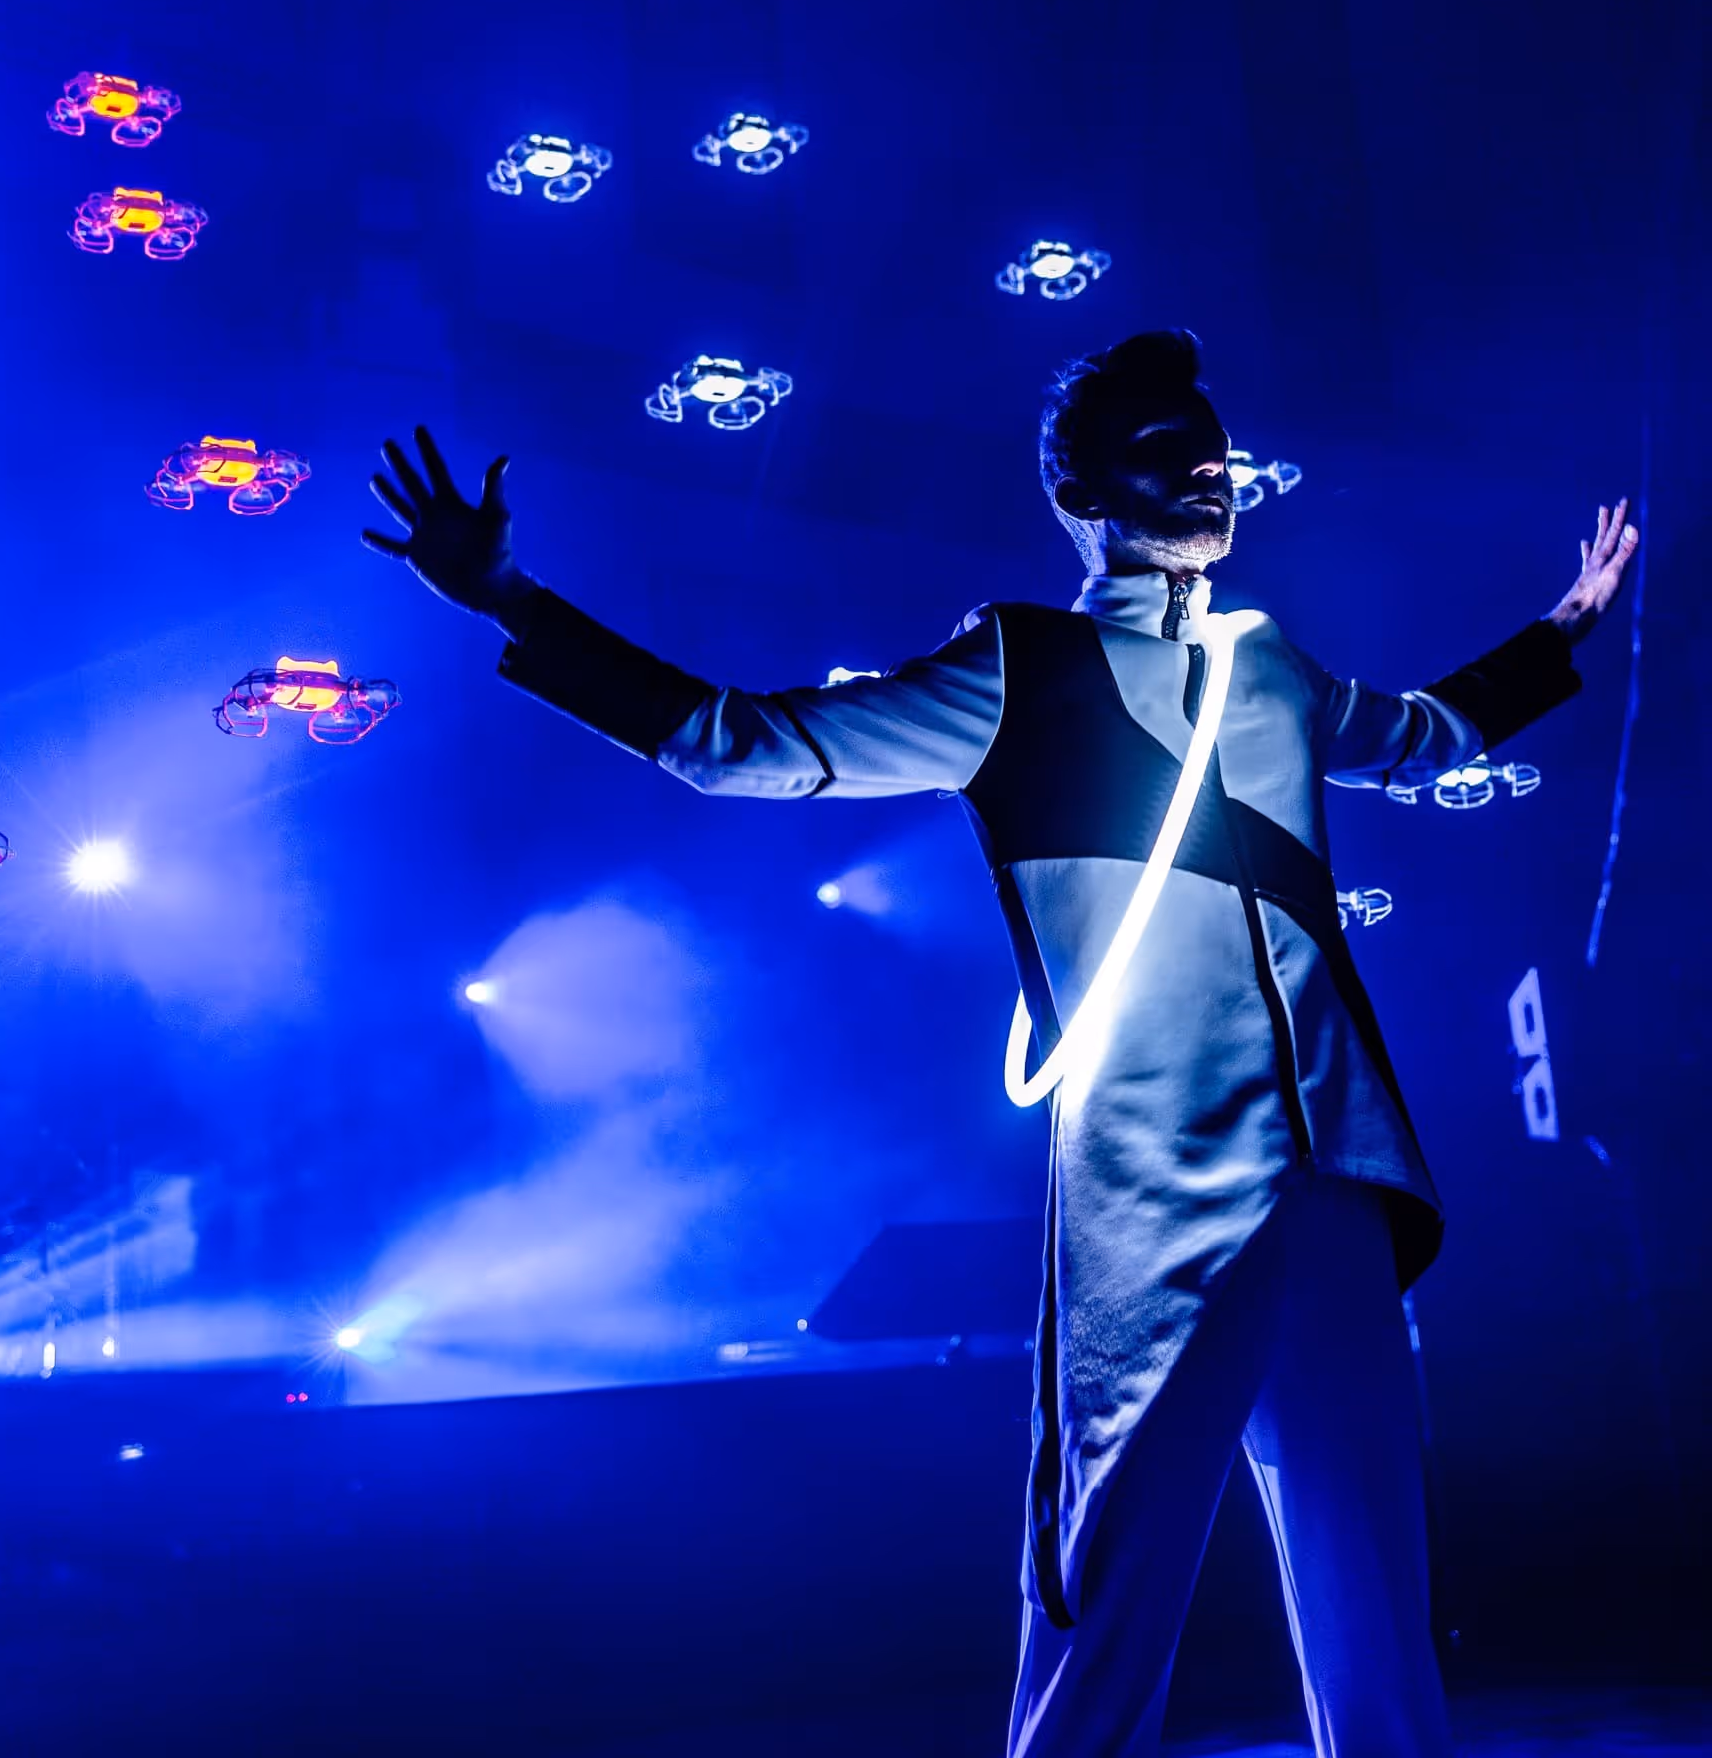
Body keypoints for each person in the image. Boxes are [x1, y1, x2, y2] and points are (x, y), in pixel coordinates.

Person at [364, 331, 1637, 1757]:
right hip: (1158, 1184)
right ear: (1087, 491)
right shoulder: (1020, 664)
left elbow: (1424, 734)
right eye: (1168, 444)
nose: (1208, 465)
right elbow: (737, 742)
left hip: (1338, 1173)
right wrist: (512, 600)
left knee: (1375, 1610)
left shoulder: (1267, 665)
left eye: (1212, 442)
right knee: (1104, 1598)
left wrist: (1565, 628)